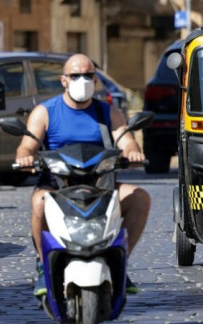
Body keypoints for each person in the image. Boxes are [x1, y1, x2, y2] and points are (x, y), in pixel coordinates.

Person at [15, 54, 151, 297]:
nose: (82, 80)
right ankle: (43, 265)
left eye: (88, 75)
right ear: (64, 80)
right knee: (38, 203)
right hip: (58, 185)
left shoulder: (108, 112)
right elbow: (26, 146)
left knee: (140, 197)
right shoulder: (45, 111)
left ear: (96, 80)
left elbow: (126, 140)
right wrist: (25, 157)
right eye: (75, 75)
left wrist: (132, 153)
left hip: (101, 184)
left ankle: (118, 261)